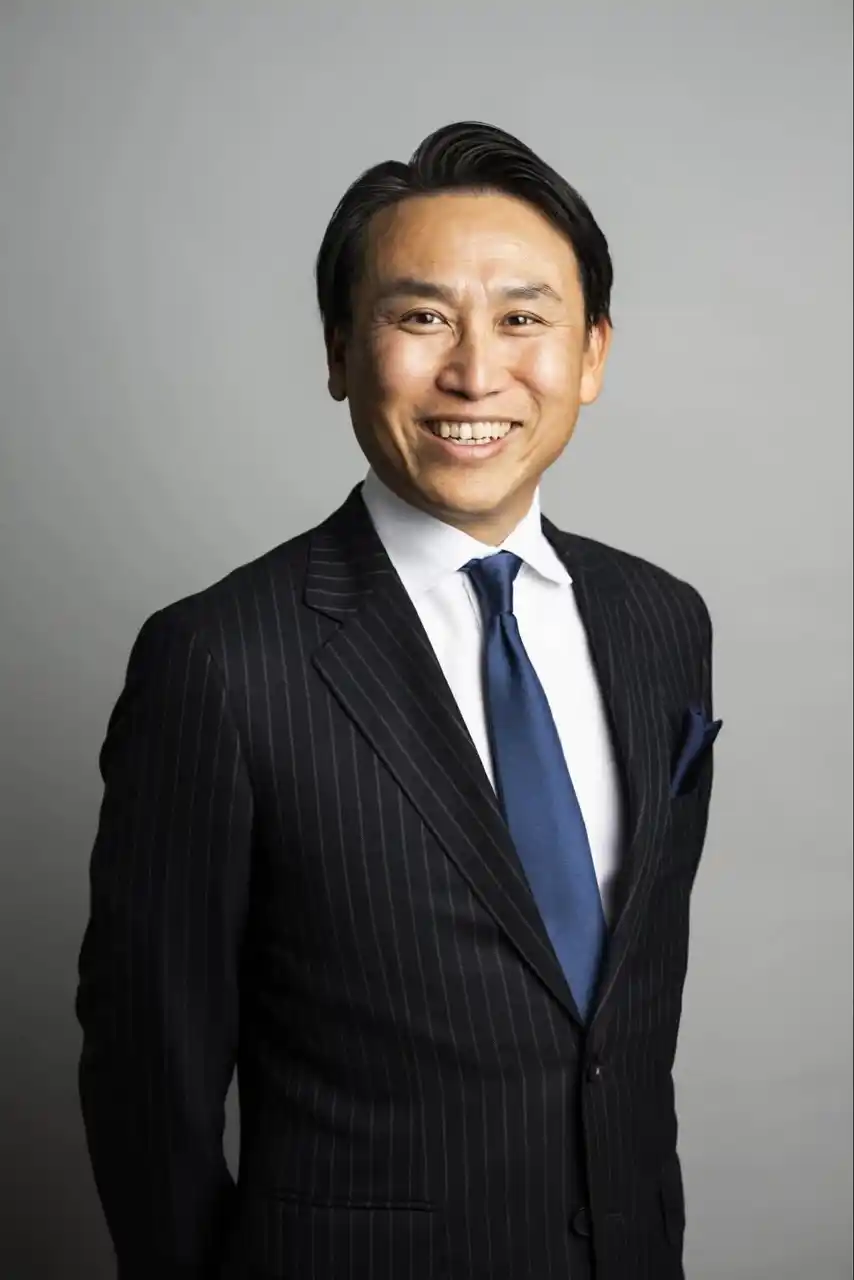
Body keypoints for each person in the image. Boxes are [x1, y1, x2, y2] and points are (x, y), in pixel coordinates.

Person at [75, 120, 722, 1280]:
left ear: (590, 354)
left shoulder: (661, 623)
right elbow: (147, 1075)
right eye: (420, 318)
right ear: (338, 351)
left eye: (521, 319)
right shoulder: (219, 660)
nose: (474, 372)